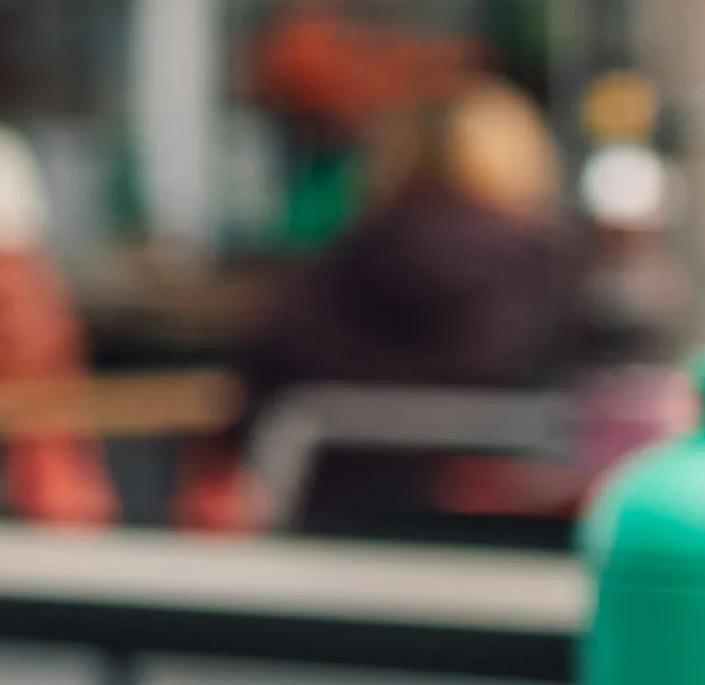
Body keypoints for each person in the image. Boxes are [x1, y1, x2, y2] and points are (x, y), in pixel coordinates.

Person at [234, 79, 593, 536]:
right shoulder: (550, 267)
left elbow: (266, 359)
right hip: (509, 523)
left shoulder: (350, 254)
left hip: (338, 513)